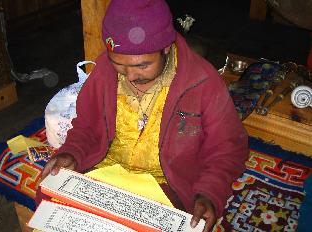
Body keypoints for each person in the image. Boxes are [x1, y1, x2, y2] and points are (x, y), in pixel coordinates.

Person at [37, 0, 249, 231]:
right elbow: (86, 126)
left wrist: (209, 193)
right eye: (119, 64)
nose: (129, 76)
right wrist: (72, 153)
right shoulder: (104, 71)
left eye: (142, 66)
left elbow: (226, 148)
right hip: (103, 170)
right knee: (51, 204)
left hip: (164, 185)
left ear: (166, 47)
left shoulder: (202, 81)